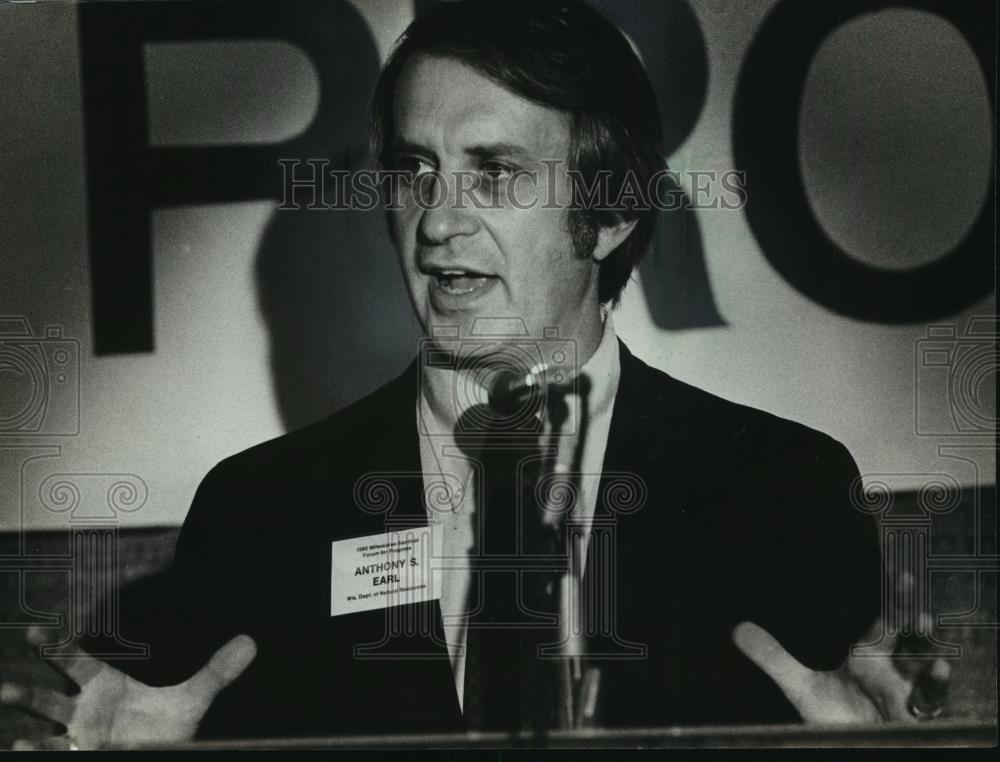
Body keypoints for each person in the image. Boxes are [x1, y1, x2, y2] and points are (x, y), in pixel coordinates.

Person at [2, 0, 949, 749]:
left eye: (494, 174)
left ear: (611, 214)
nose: (438, 222)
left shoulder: (784, 487)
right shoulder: (259, 511)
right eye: (418, 171)